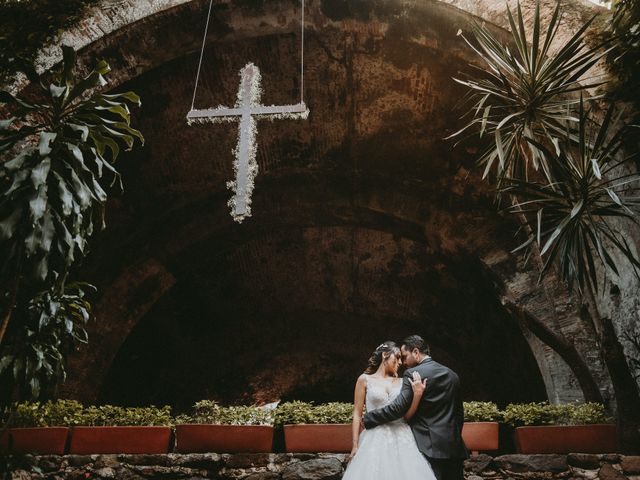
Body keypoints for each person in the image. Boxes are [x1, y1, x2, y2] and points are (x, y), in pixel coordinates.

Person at [362, 335, 469, 480]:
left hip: (427, 446)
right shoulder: (452, 375)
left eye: (405, 356)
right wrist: (454, 437)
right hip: (453, 447)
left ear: (416, 352)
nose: (403, 362)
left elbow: (399, 408)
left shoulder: (413, 374)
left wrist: (370, 417)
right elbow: (458, 414)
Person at [342, 341, 437, 480]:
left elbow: (406, 417)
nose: (400, 362)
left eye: (401, 358)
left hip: (402, 437)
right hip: (374, 437)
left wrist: (417, 395)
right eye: (397, 357)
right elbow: (357, 413)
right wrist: (355, 444)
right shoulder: (364, 380)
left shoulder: (403, 382)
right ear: (385, 355)